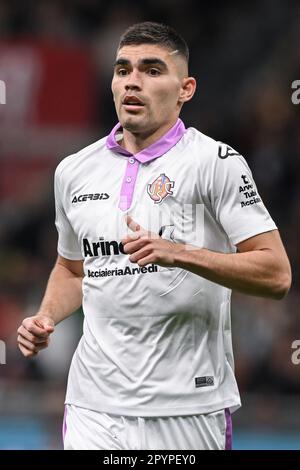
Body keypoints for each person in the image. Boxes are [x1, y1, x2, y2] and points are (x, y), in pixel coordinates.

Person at [17, 21, 291, 450]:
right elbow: (72, 269)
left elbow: (276, 274)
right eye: (123, 69)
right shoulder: (72, 171)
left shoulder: (216, 163)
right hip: (95, 407)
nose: (133, 82)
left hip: (188, 408)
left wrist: (181, 254)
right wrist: (47, 315)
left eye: (151, 70)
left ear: (186, 89)